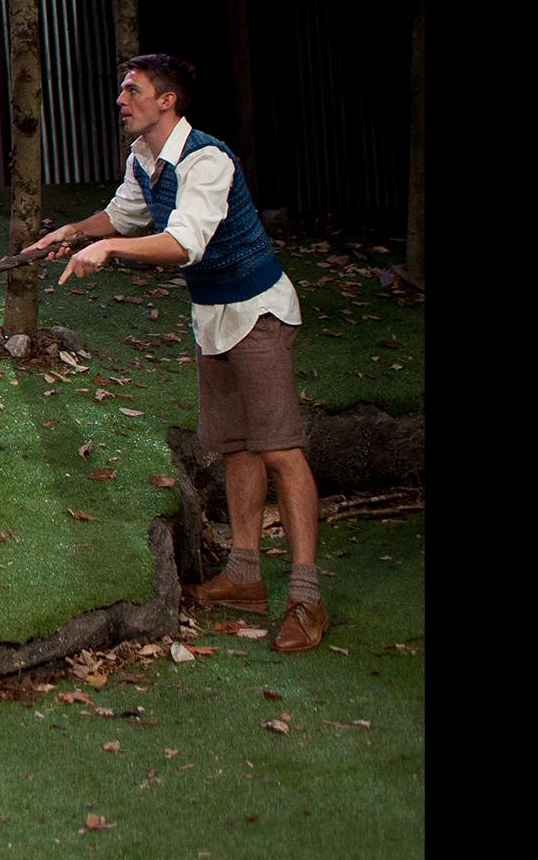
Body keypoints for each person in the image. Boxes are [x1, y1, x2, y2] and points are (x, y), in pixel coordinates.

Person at [29, 54, 326, 653]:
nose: (121, 99)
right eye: (121, 91)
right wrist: (75, 233)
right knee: (238, 448)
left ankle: (306, 598)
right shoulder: (145, 161)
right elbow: (120, 213)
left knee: (281, 452)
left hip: (257, 312)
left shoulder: (207, 161)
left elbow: (184, 243)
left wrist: (110, 249)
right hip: (214, 319)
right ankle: (245, 576)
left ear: (168, 101)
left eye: (132, 90)